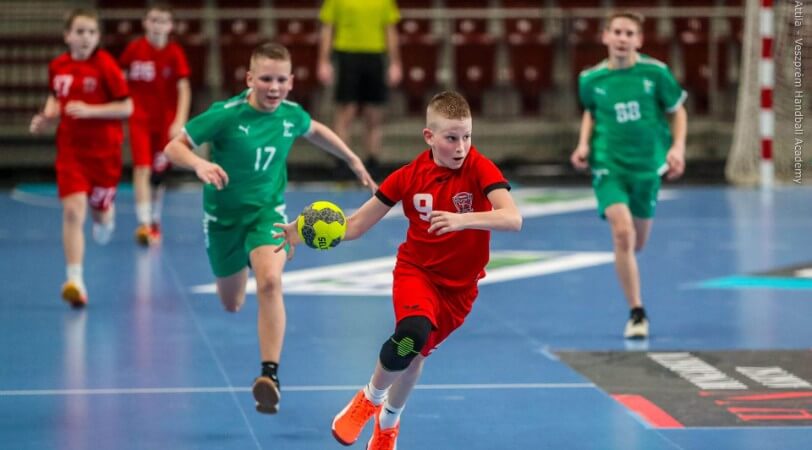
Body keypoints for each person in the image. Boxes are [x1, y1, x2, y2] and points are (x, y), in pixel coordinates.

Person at [273, 91, 522, 449]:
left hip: (460, 290)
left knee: (414, 357)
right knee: (411, 334)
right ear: (429, 136)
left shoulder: (480, 168)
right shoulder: (407, 177)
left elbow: (512, 218)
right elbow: (355, 225)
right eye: (451, 138)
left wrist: (462, 220)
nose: (461, 147)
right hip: (416, 272)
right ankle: (369, 399)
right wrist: (301, 231)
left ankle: (388, 422)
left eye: (467, 136)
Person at [163, 42, 376, 414]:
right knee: (231, 303)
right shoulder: (226, 115)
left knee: (270, 283)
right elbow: (173, 147)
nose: (274, 87)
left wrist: (352, 157)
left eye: (281, 80)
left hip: (267, 215)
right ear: (250, 79)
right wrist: (199, 164)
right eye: (265, 79)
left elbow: (316, 130)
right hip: (223, 220)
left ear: (291, 81)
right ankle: (249, 259)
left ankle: (269, 375)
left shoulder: (291, 115)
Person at [570, 12, 687, 339]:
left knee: (638, 242)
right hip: (608, 164)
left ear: (639, 40)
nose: (622, 38)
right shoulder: (591, 79)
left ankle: (633, 290)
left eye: (629, 33)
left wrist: (677, 148)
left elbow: (677, 111)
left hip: (647, 167)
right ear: (605, 36)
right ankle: (637, 312)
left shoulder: (656, 73)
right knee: (623, 234)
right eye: (617, 32)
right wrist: (583, 145)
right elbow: (591, 112)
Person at [30, 9, 133, 308]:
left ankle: (106, 215)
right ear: (68, 36)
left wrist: (91, 110)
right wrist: (46, 118)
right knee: (73, 212)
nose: (85, 37)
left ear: (98, 37)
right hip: (71, 152)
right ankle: (75, 281)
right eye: (80, 31)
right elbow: (55, 97)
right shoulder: (58, 66)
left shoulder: (106, 66)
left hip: (104, 154)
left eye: (91, 32)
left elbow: (126, 107)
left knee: (100, 213)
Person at [119, 3, 191, 246]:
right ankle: (144, 223)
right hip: (139, 118)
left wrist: (179, 120)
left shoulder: (175, 53)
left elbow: (184, 88)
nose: (157, 25)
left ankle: (155, 219)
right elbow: (120, 80)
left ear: (170, 26)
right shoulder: (134, 49)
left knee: (158, 174)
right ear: (145, 23)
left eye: (163, 21)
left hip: (165, 122)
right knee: (142, 168)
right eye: (153, 20)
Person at [317, 0, 402, 177]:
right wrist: (323, 61)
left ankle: (372, 161)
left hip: (375, 55)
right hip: (347, 55)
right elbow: (328, 28)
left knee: (374, 114)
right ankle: (341, 161)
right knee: (346, 111)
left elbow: (390, 30)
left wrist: (395, 62)